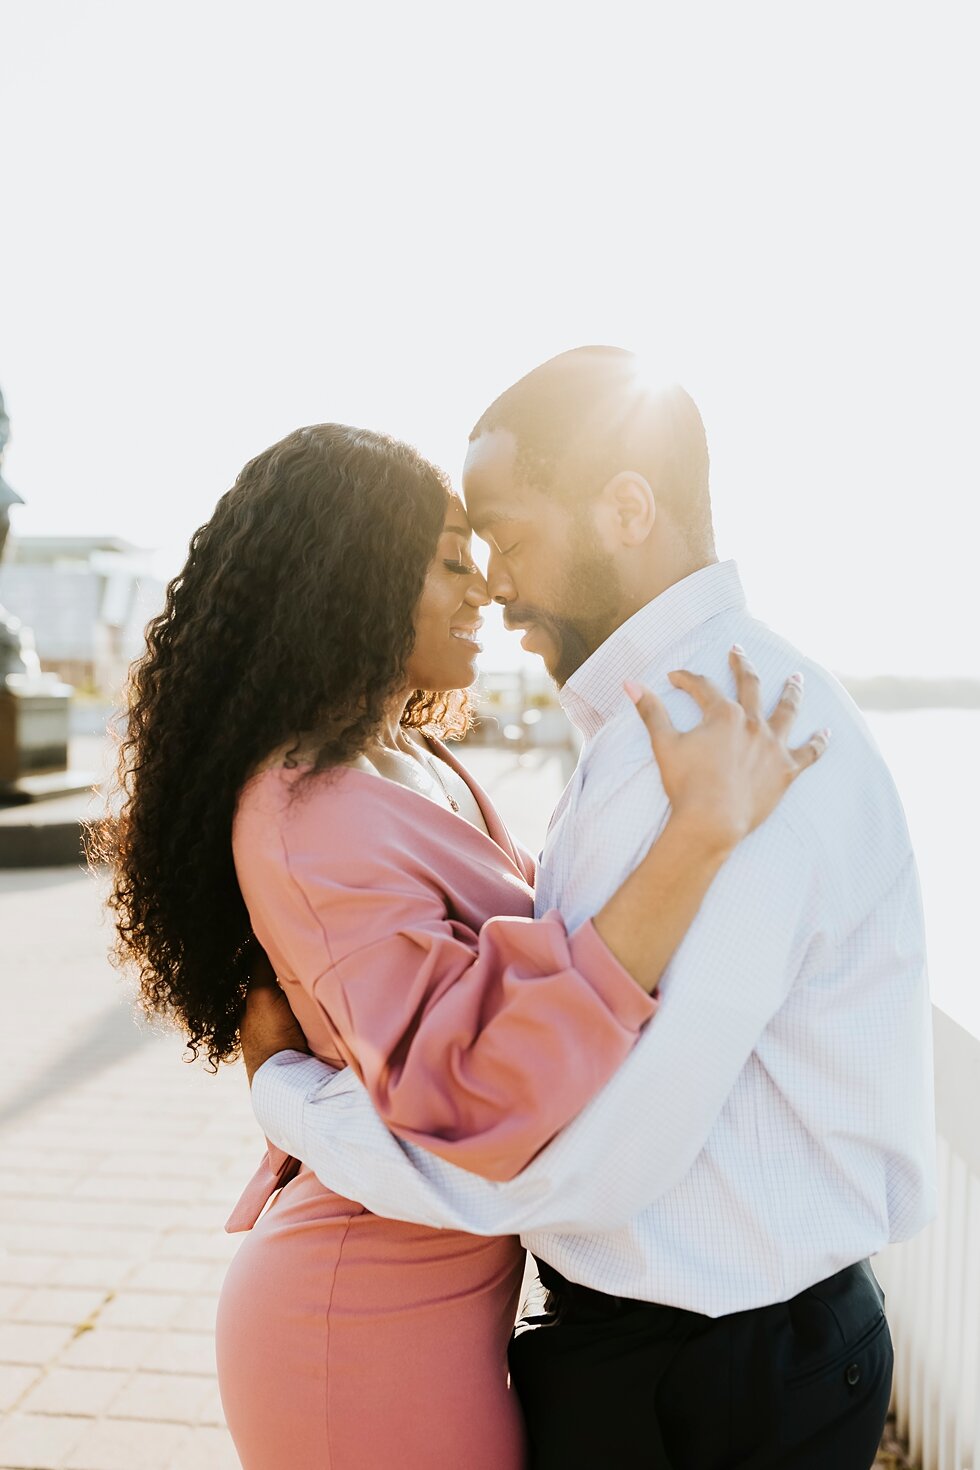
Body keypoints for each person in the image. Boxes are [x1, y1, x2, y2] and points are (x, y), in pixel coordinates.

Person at [243, 349, 936, 1470]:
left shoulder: (718, 730)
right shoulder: (677, 721)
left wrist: (292, 1101)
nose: (493, 583)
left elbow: (572, 1153)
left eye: (505, 538)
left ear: (625, 508)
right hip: (712, 1360)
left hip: (709, 1383)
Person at [102, 420, 823, 1470]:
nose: (482, 588)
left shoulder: (415, 755)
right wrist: (697, 836)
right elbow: (471, 1090)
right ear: (348, 576)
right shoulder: (305, 811)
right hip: (359, 1319)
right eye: (447, 559)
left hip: (441, 1298)